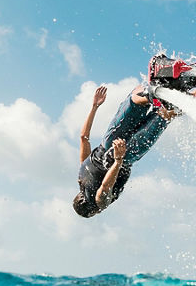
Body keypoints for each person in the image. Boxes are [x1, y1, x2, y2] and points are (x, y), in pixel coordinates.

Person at [72, 84, 178, 217]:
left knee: (165, 115)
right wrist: (95, 106)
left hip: (125, 155)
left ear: (93, 211)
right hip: (109, 142)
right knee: (136, 100)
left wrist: (118, 160)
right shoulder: (82, 173)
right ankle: (152, 91)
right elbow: (84, 138)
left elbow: (105, 187)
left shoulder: (99, 203)